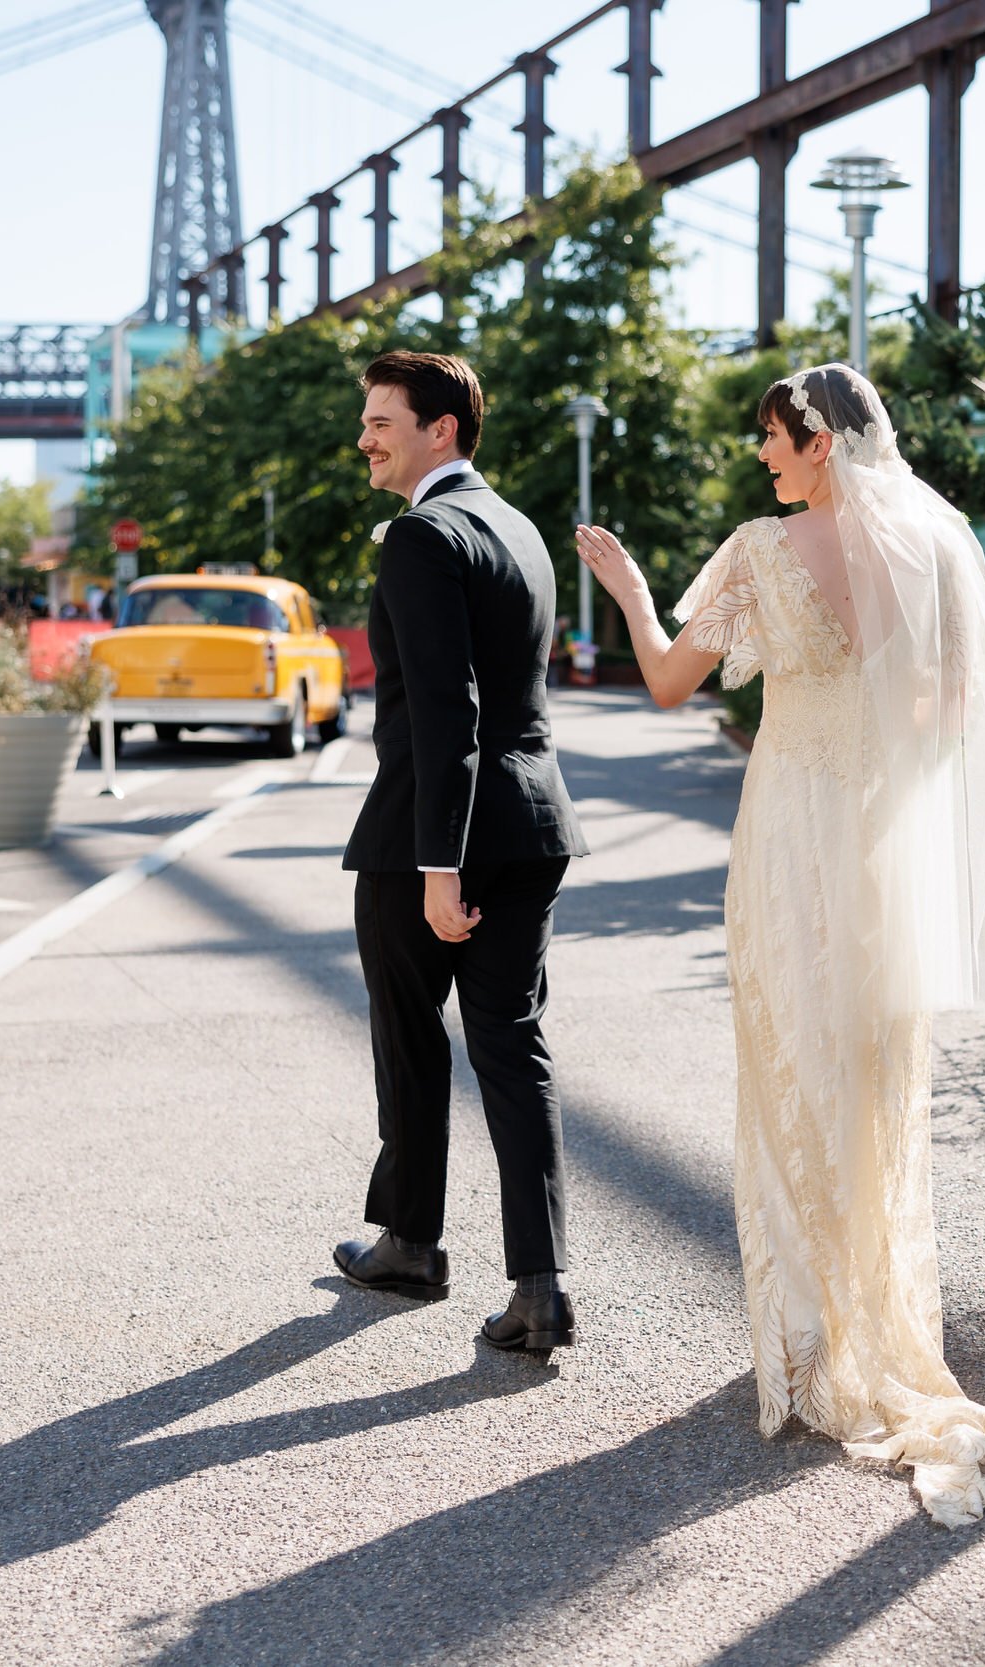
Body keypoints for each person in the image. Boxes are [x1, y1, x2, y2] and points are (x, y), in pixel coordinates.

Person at [575, 363, 985, 1526]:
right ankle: (874, 1317)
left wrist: (630, 590)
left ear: (819, 442)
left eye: (774, 437)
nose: (763, 454)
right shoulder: (933, 548)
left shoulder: (760, 551)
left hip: (785, 836)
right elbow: (954, 710)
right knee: (871, 1068)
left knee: (793, 1064)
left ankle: (823, 1330)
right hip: (879, 837)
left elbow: (668, 679)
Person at [334, 351, 590, 1353]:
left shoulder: (422, 534)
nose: (365, 438)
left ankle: (411, 1243)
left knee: (409, 1034)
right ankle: (540, 1286)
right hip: (532, 824)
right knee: (513, 1044)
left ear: (439, 429)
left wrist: (438, 866)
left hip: (434, 835)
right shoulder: (518, 528)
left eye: (381, 421)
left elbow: (450, 710)